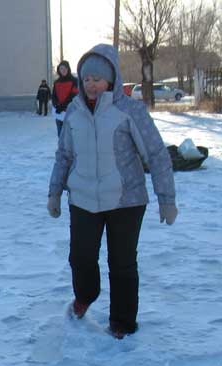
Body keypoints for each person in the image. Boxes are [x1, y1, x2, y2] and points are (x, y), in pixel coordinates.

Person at [47, 44, 178, 339]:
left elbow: (156, 154)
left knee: (122, 264)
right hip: (82, 198)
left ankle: (122, 323)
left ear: (112, 79)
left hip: (126, 201)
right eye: (87, 79)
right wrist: (54, 192)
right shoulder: (74, 112)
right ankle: (85, 296)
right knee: (80, 257)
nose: (91, 84)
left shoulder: (129, 110)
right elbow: (64, 156)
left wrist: (166, 199)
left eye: (98, 78)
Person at [52, 60, 79, 136]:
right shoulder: (56, 82)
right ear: (59, 70)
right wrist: (56, 105)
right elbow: (54, 95)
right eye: (61, 69)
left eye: (65, 68)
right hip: (59, 113)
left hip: (71, 112)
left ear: (68, 69)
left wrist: (62, 106)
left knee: (71, 136)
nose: (63, 70)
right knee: (60, 135)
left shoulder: (74, 81)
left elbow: (73, 96)